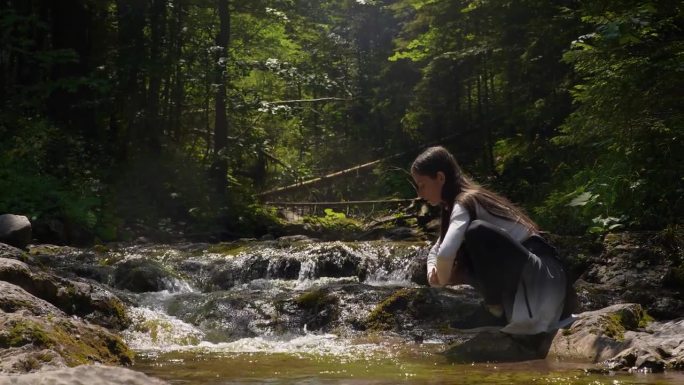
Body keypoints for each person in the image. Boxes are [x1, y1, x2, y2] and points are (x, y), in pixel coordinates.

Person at [411, 146, 577, 335]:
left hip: (543, 282)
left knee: (476, 232)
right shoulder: (458, 206)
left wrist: (441, 278)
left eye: (422, 185)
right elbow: (438, 250)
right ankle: (497, 310)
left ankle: (494, 310)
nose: (420, 194)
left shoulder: (466, 200)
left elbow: (445, 253)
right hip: (538, 284)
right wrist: (434, 271)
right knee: (468, 245)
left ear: (440, 178)